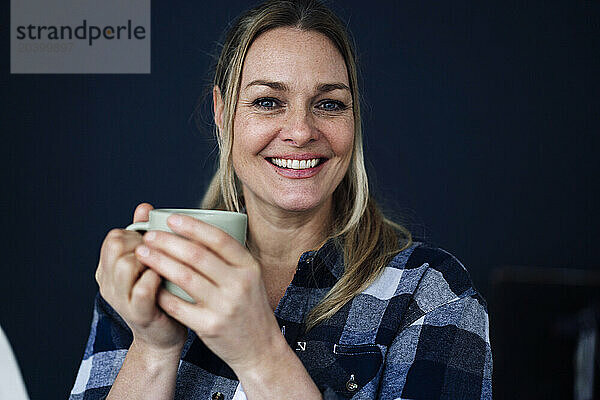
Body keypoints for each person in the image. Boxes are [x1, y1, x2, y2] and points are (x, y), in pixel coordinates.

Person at [70, 0, 492, 399]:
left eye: (329, 104)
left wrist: (260, 354)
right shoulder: (151, 273)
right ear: (222, 113)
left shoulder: (430, 293)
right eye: (268, 102)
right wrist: (152, 347)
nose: (302, 131)